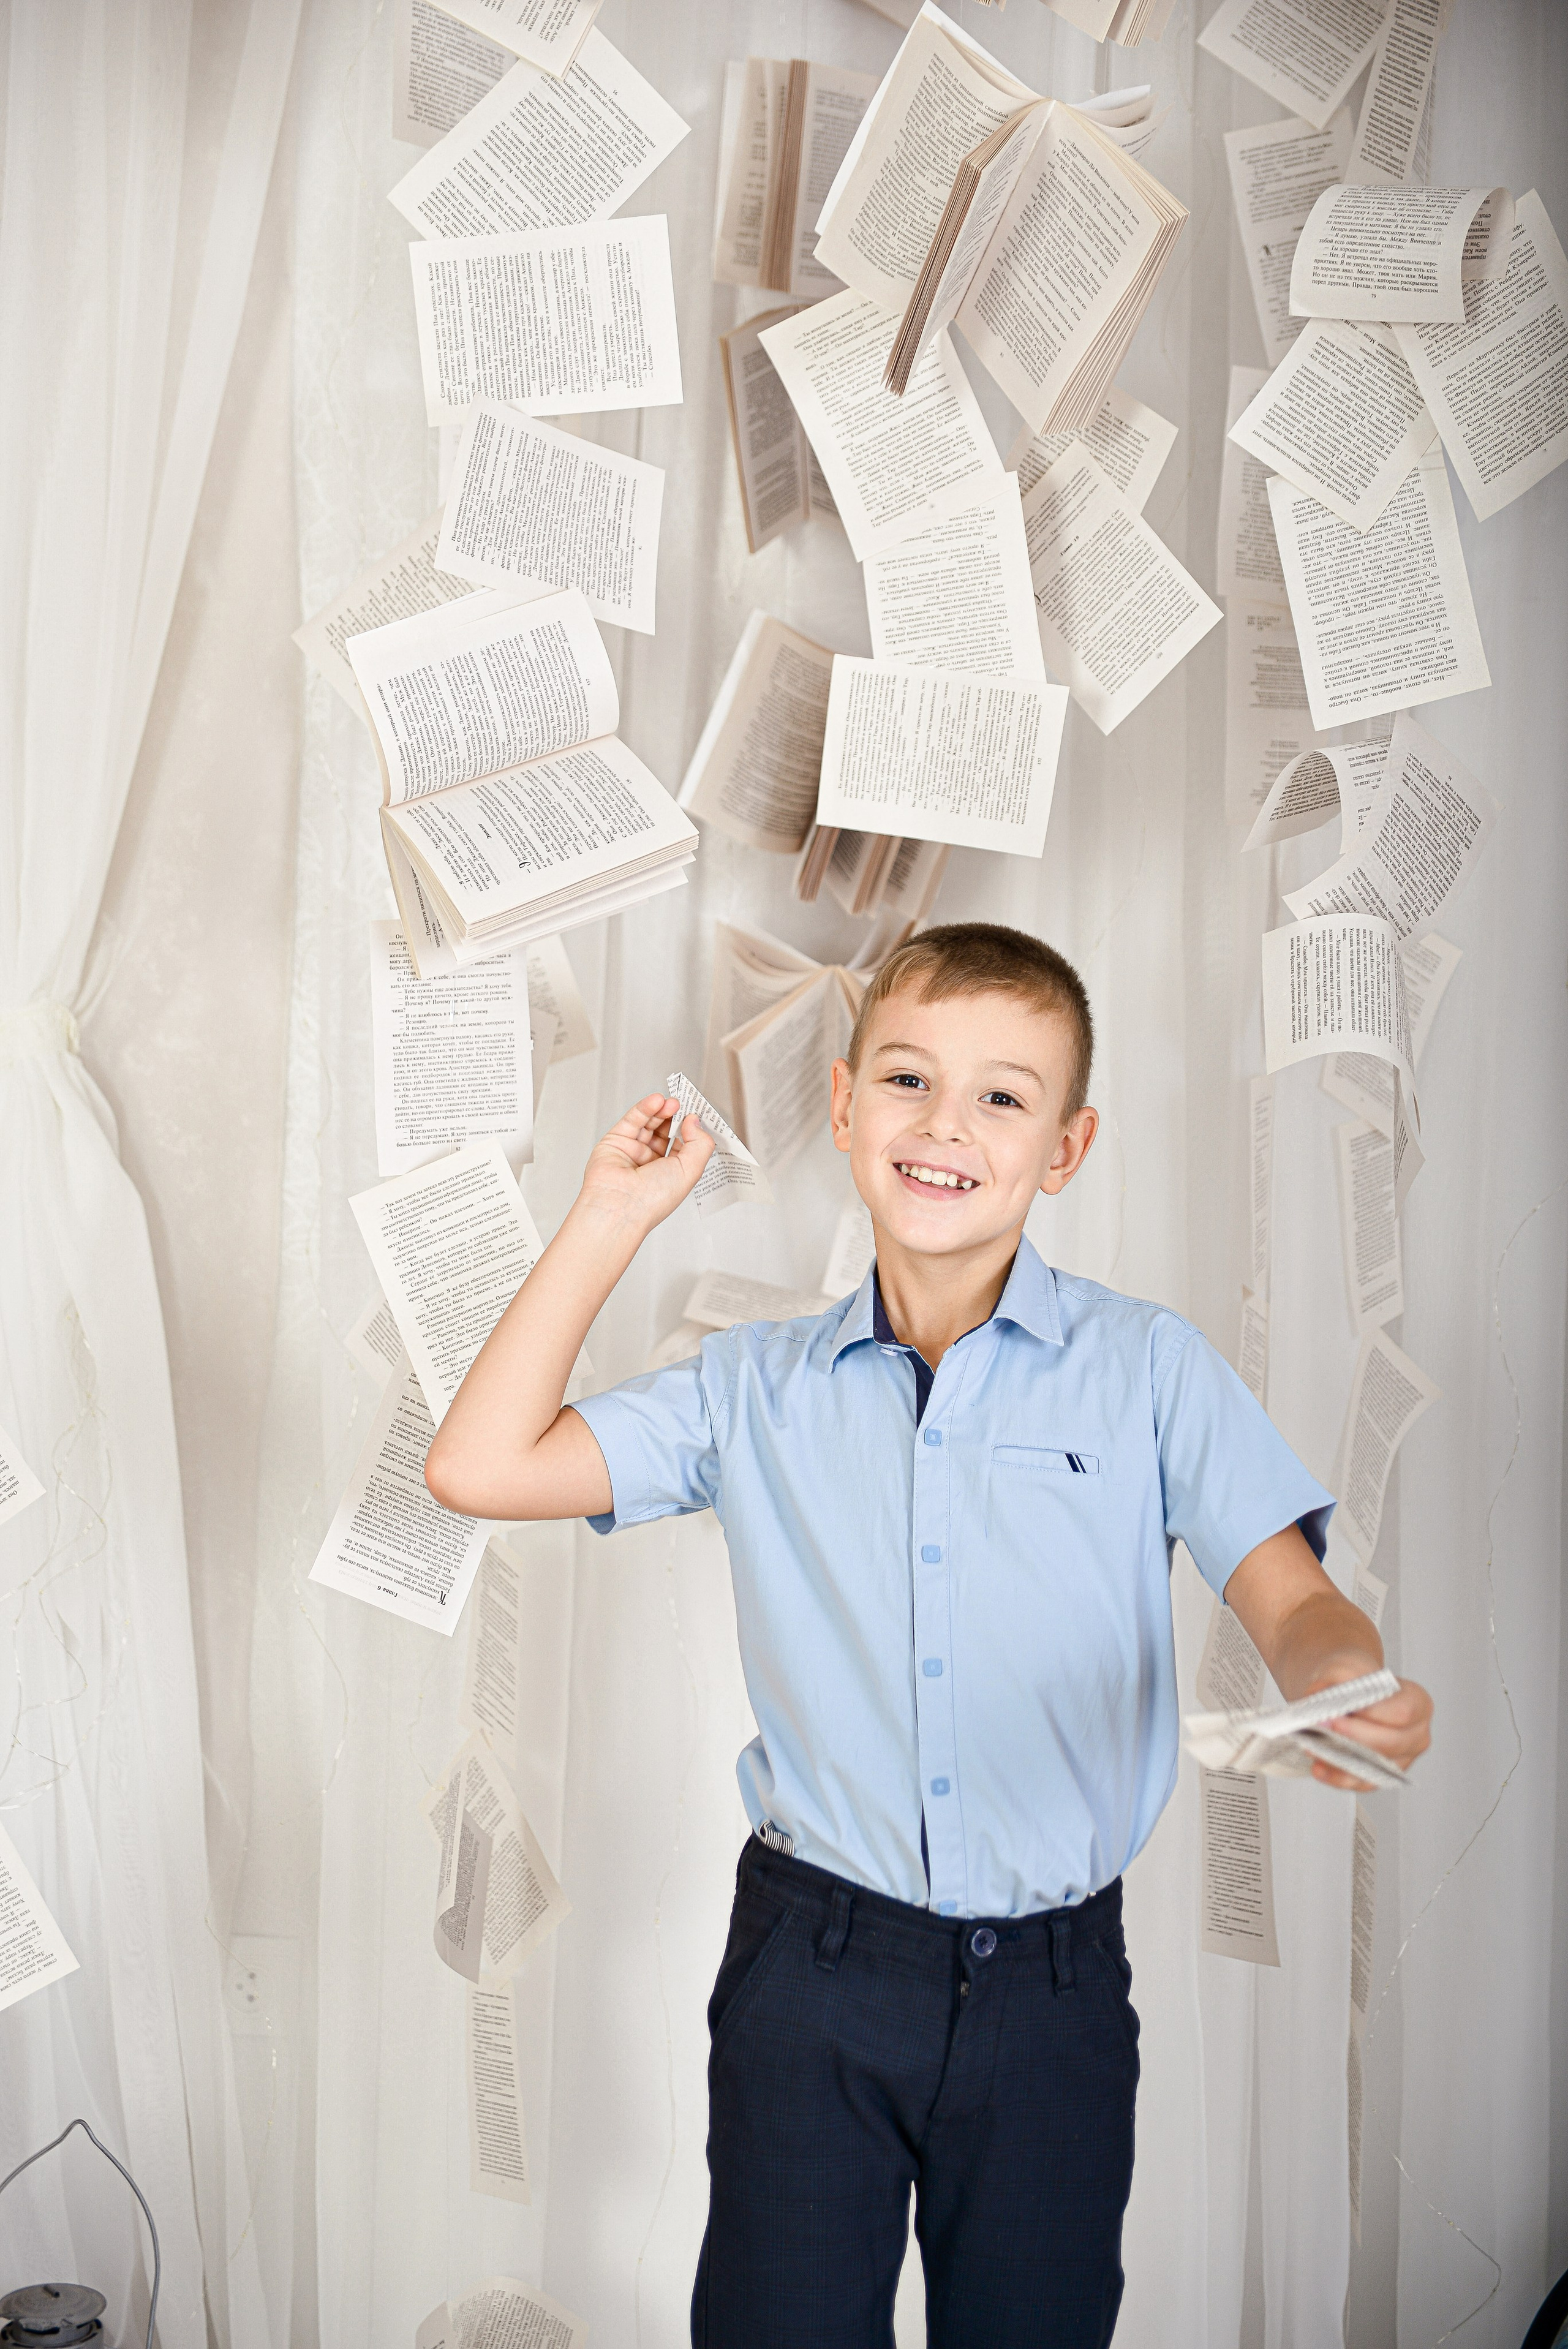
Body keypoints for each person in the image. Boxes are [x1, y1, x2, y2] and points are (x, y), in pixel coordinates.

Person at [425, 921, 1433, 2349]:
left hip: (1055, 1991)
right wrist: (608, 1218)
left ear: (1066, 1148)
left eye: (1002, 1097)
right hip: (811, 1974)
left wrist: (1341, 1683)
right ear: (842, 1106)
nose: (944, 1125)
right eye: (906, 1079)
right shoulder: (749, 1389)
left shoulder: (1148, 1370)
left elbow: (1293, 1604)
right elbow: (476, 1466)